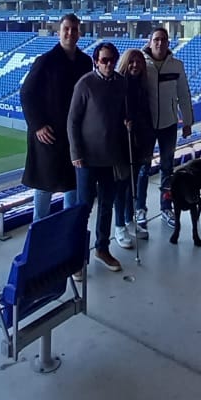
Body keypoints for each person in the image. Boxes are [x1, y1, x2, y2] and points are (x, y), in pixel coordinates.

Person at [20, 14, 91, 221]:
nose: (70, 33)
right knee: (44, 190)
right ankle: (38, 240)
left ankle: (66, 239)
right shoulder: (45, 61)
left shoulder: (85, 62)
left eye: (74, 29)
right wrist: (38, 125)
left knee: (73, 187)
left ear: (79, 33)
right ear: (59, 32)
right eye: (66, 29)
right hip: (48, 138)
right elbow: (26, 93)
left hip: (74, 137)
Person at [67, 40, 129, 272]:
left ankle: (102, 249)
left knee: (107, 205)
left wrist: (127, 120)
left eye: (112, 60)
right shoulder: (85, 84)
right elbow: (72, 121)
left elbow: (123, 111)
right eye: (104, 60)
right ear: (96, 61)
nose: (109, 64)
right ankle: (77, 259)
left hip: (111, 157)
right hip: (86, 159)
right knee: (84, 208)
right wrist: (76, 153)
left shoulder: (121, 83)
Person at [139, 27, 193, 232]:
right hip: (146, 126)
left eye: (163, 39)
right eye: (156, 39)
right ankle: (140, 209)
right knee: (143, 170)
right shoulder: (141, 63)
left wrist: (187, 121)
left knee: (167, 169)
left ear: (168, 42)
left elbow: (184, 94)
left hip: (169, 125)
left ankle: (166, 207)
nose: (160, 43)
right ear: (150, 41)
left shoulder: (177, 65)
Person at [114, 47, 153, 246]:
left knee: (131, 186)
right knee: (121, 186)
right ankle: (119, 225)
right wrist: (123, 122)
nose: (135, 65)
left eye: (138, 62)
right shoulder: (118, 84)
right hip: (122, 143)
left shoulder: (143, 86)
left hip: (138, 143)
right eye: (131, 62)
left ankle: (129, 220)